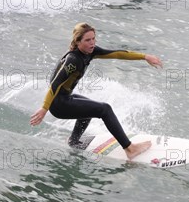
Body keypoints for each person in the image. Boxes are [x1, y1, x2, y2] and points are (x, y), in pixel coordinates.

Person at [30, 23, 163, 160]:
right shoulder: (73, 60)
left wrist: (144, 56)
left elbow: (116, 53)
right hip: (58, 104)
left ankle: (73, 141)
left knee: (88, 111)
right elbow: (55, 84)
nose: (92, 43)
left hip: (65, 98)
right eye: (88, 40)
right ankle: (130, 149)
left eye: (93, 38)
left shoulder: (90, 52)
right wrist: (44, 109)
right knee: (104, 109)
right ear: (77, 41)